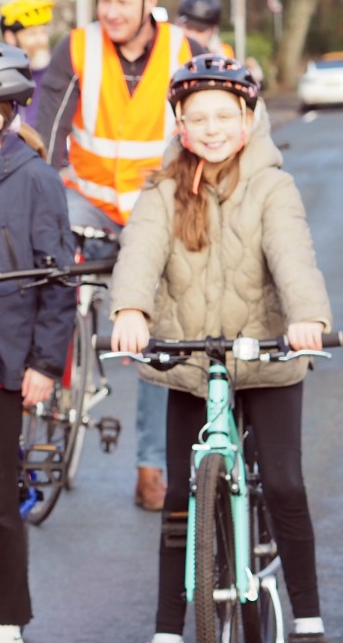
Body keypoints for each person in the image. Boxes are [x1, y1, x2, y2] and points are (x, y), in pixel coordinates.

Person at [108, 55, 331, 643]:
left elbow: (293, 256)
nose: (211, 128)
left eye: (223, 116)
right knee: (182, 496)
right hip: (191, 361)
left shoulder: (271, 185)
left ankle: (307, 612)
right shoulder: (162, 189)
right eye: (197, 117)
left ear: (249, 116)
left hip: (265, 358)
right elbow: (140, 252)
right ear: (179, 123)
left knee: (283, 482)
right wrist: (130, 310)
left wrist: (307, 318)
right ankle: (167, 625)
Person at [33, 0, 207, 512]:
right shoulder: (79, 47)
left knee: (161, 332)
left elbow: (210, 126)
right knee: (44, 271)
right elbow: (50, 125)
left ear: (150, 0)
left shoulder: (186, 51)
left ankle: (151, 464)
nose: (110, 12)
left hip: (155, 208)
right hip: (86, 200)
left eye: (122, 2)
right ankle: (42, 407)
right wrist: (45, 182)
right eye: (105, 0)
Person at [0, 42, 76, 643]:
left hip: (4, 362)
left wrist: (47, 364)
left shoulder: (37, 180)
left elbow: (57, 282)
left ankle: (4, 617)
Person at [0, 0, 56, 128]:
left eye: (43, 32)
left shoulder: (59, 69)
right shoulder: (1, 78)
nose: (41, 40)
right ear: (10, 37)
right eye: (32, 34)